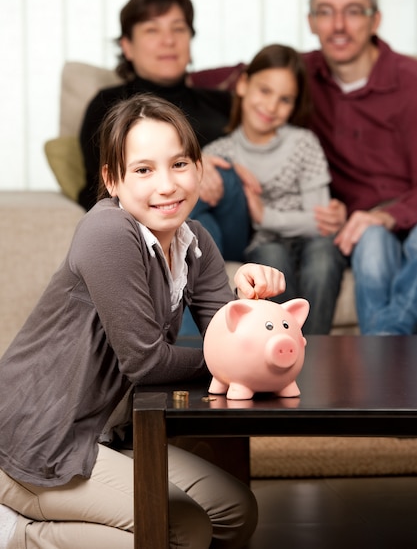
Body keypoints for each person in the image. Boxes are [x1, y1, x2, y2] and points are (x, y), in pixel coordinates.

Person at [0, 93, 286, 549]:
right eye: (143, 170)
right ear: (113, 179)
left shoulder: (196, 241)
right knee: (182, 529)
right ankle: (18, 533)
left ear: (199, 167)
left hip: (102, 435)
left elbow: (229, 345)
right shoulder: (109, 232)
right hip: (35, 440)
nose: (167, 185)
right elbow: (147, 364)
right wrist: (221, 361)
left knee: (234, 511)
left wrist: (249, 302)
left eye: (179, 164)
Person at [78, 0, 249, 262]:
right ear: (127, 46)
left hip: (234, 222)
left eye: (178, 29)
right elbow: (101, 188)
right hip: (153, 224)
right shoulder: (108, 106)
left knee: (224, 181)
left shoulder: (223, 103)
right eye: (152, 30)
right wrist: (193, 171)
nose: (168, 40)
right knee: (200, 224)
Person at [200, 44, 346, 335]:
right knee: (271, 259)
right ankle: (282, 343)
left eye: (285, 99)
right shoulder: (219, 152)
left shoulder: (304, 143)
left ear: (294, 106)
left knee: (324, 258)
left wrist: (265, 216)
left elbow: (322, 224)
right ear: (242, 85)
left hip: (310, 239)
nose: (271, 107)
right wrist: (266, 223)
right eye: (264, 91)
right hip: (263, 243)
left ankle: (312, 350)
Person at [304, 0, 417, 335]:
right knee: (370, 243)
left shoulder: (410, 81)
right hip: (361, 228)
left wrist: (390, 214)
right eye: (326, 12)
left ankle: (385, 344)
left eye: (353, 11)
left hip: (409, 212)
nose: (338, 26)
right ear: (311, 21)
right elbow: (228, 85)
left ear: (375, 19)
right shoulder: (300, 77)